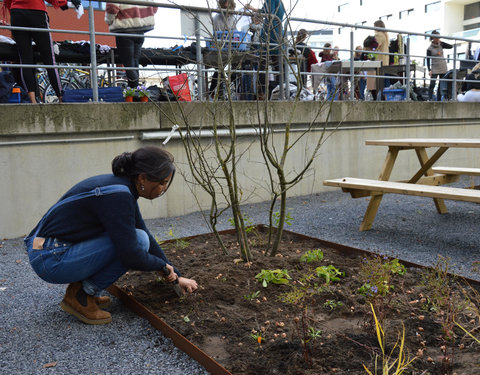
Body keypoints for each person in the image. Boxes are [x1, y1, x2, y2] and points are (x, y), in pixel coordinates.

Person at [24, 146, 198, 325]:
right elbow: (131, 255)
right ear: (142, 177)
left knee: (140, 237)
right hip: (50, 259)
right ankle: (82, 297)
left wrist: (176, 275)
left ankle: (79, 290)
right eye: (161, 182)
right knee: (137, 242)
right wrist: (162, 267)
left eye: (166, 183)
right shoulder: (119, 196)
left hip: (44, 248)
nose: (163, 188)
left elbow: (144, 231)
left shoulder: (121, 188)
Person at [1, 0, 79, 103]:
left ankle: (33, 101)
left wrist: (14, 12)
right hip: (36, 11)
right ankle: (61, 98)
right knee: (49, 60)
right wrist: (63, 3)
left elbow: (7, 2)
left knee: (25, 61)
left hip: (17, 13)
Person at [105, 0, 157, 89]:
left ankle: (135, 90)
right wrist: (142, 16)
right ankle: (135, 91)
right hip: (141, 30)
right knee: (135, 63)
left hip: (125, 30)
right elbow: (154, 7)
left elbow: (112, 7)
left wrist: (108, 21)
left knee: (129, 64)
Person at [246, 0, 285, 99]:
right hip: (277, 36)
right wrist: (252, 9)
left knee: (263, 65)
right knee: (278, 67)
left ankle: (262, 92)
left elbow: (268, 13)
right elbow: (265, 11)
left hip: (271, 36)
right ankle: (280, 91)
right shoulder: (278, 2)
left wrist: (253, 10)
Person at [208, 0, 237, 99]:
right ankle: (213, 92)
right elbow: (213, 36)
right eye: (226, 7)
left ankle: (231, 92)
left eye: (231, 7)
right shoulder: (216, 19)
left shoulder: (233, 19)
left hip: (230, 49)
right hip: (219, 49)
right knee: (219, 69)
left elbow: (235, 34)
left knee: (236, 69)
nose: (229, 11)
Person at [426, 30, 452, 101]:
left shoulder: (441, 44)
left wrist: (442, 42)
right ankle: (430, 98)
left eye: (439, 37)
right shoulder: (429, 49)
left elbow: (451, 46)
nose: (438, 39)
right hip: (434, 67)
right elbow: (427, 60)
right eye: (437, 38)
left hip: (442, 67)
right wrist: (429, 70)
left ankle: (438, 99)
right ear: (433, 38)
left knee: (441, 85)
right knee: (432, 84)